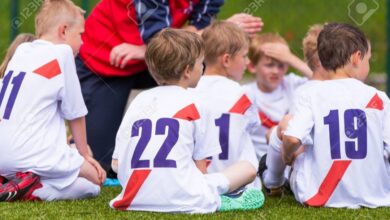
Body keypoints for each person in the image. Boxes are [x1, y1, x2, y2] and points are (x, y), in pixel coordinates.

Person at [76, 0, 264, 177]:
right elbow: (163, 43)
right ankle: (70, 145)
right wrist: (218, 30)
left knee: (203, 72)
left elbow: (183, 37)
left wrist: (149, 49)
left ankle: (193, 148)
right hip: (104, 62)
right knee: (102, 163)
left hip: (160, 61)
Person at [110, 28, 264, 213]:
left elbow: (116, 164)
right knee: (248, 168)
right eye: (201, 64)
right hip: (188, 199)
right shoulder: (197, 102)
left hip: (133, 199)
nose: (203, 68)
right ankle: (222, 200)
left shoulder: (140, 100)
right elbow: (201, 169)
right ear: (187, 70)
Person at [0, 0, 105, 201]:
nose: (82, 42)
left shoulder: (22, 51)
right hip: (34, 156)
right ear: (63, 31)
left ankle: (14, 182)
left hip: (3, 158)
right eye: (80, 34)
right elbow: (75, 113)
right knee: (94, 184)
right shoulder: (62, 53)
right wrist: (85, 156)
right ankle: (34, 189)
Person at [279, 23, 390, 208]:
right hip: (376, 194)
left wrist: (287, 156)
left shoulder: (311, 94)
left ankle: (271, 180)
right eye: (368, 60)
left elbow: (291, 139)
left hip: (320, 195)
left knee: (285, 126)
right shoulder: (378, 98)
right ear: (357, 57)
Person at [258, 24, 328, 196]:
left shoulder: (303, 90)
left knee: (281, 129)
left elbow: (317, 78)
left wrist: (291, 58)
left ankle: (274, 181)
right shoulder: (346, 92)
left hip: (307, 167)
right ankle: (276, 179)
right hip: (327, 165)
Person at [195, 21, 259, 184]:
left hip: (198, 178)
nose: (247, 62)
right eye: (244, 56)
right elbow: (252, 127)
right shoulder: (243, 94)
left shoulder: (189, 92)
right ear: (226, 60)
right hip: (236, 179)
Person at [243, 33, 312, 159]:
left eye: (281, 65)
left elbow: (322, 81)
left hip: (293, 157)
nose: (275, 71)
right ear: (252, 66)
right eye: (269, 65)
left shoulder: (292, 84)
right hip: (260, 162)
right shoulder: (245, 94)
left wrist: (291, 58)